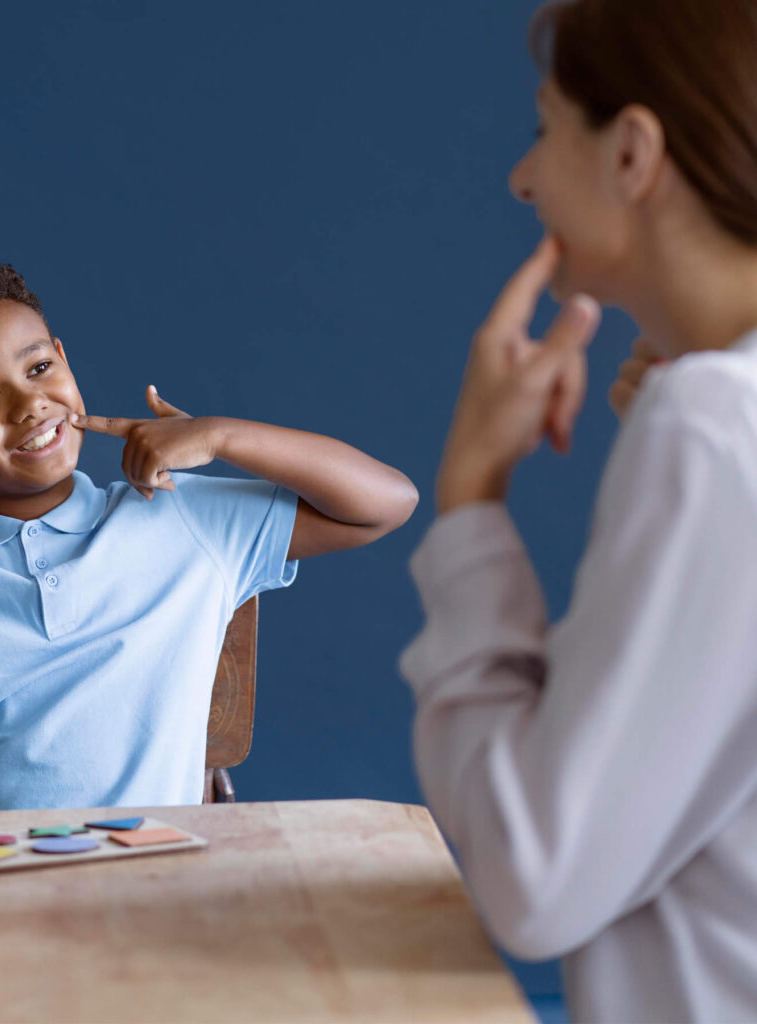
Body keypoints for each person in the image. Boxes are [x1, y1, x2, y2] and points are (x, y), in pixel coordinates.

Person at [0, 258, 418, 813]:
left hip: (141, 884)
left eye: (38, 369)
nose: (31, 404)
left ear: (64, 359)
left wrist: (221, 434)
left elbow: (386, 503)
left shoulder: (181, 516)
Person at [400, 0, 757, 1021]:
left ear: (632, 154)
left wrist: (469, 493)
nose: (523, 177)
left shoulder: (712, 422)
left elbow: (533, 880)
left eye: (548, 127)